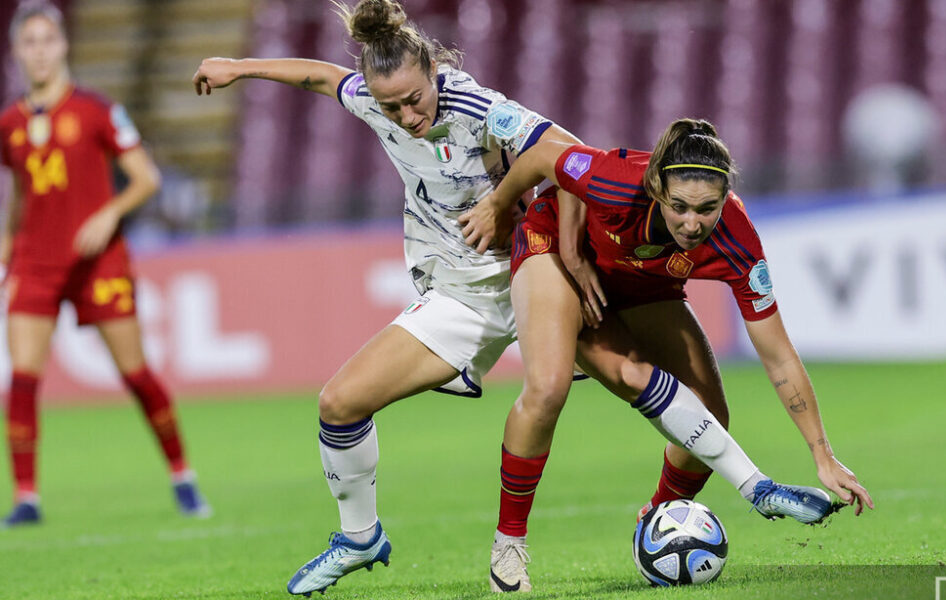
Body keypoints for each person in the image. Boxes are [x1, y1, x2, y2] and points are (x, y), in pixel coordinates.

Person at [192, 0, 589, 595]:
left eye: (414, 99)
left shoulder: (480, 107)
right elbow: (323, 76)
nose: (406, 115)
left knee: (644, 382)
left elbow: (572, 153)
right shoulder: (374, 104)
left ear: (433, 70)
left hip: (537, 278)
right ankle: (359, 537)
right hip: (460, 297)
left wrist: (506, 200)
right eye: (390, 106)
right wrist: (238, 66)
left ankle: (750, 486)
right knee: (339, 402)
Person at [460, 118, 873, 591]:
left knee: (710, 415)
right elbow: (541, 157)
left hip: (642, 282)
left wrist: (823, 456)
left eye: (707, 209)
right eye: (678, 207)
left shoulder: (737, 240)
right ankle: (508, 543)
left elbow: (778, 356)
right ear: (657, 188)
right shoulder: (618, 180)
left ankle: (658, 520)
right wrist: (502, 208)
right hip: (555, 249)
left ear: (726, 198)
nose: (692, 223)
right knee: (551, 387)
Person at [0, 1, 210, 528]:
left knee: (135, 373)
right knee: (23, 377)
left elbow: (147, 178)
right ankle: (27, 497)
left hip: (99, 262)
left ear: (64, 44)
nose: (40, 51)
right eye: (30, 42)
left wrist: (107, 214)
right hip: (37, 261)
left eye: (48, 40)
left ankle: (182, 476)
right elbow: (22, 193)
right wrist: (8, 238)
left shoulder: (95, 110)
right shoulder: (10, 124)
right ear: (17, 50)